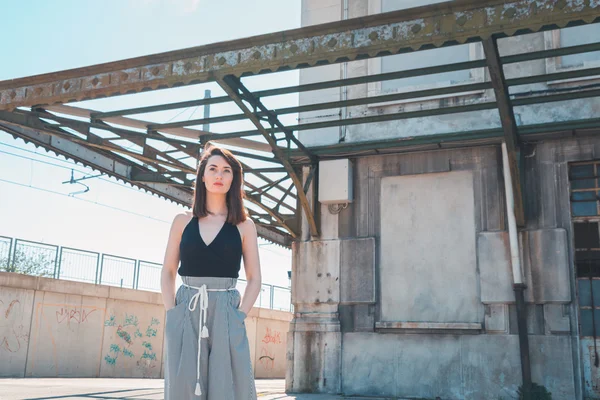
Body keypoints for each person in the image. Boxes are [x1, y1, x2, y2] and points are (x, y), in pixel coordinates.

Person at [161, 144, 261, 399]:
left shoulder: (244, 225)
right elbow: (169, 270)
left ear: (233, 179)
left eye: (226, 171)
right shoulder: (182, 221)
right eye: (213, 169)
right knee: (183, 385)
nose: (219, 175)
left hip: (227, 310)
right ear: (202, 176)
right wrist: (172, 312)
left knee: (229, 385)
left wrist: (239, 316)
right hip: (187, 306)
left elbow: (254, 278)